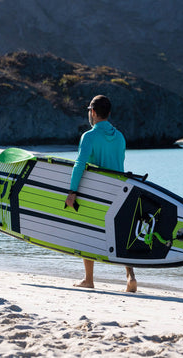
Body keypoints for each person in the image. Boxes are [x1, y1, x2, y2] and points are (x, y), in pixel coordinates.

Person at [65, 95, 137, 293]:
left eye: (90, 111)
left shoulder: (89, 136)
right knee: (120, 232)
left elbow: (79, 164)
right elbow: (119, 163)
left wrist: (72, 191)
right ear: (109, 113)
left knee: (87, 231)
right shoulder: (120, 136)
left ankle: (89, 279)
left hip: (96, 191)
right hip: (118, 191)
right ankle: (130, 276)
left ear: (93, 113)